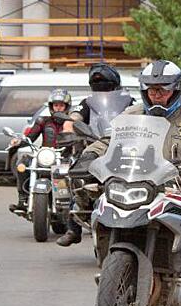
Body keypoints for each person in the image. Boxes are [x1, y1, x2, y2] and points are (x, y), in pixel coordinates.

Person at [73, 60, 181, 306]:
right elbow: (107, 140)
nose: (156, 94)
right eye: (151, 89)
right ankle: (113, 275)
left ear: (177, 90)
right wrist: (89, 156)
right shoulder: (132, 115)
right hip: (137, 182)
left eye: (163, 89)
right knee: (102, 212)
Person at [56, 63, 134, 247]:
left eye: (105, 84)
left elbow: (141, 118)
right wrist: (70, 126)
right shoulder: (87, 103)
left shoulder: (128, 102)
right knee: (76, 179)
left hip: (122, 149)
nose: (102, 88)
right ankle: (73, 228)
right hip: (93, 148)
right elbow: (74, 117)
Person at [9, 88, 72, 211]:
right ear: (51, 106)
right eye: (56, 105)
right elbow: (30, 137)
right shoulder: (43, 121)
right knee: (22, 164)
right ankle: (23, 200)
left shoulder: (72, 123)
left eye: (61, 105)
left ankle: (76, 204)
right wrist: (18, 142)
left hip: (65, 158)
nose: (58, 108)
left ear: (66, 107)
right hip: (46, 157)